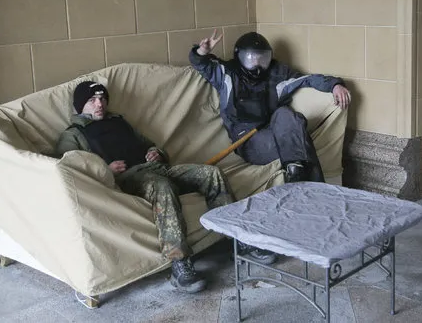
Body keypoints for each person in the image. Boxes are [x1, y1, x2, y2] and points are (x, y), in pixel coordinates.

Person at [55, 81, 276, 293]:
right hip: (129, 179)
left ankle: (238, 239)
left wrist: (157, 152)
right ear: (80, 105)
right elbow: (69, 170)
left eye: (102, 98)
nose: (100, 103)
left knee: (212, 173)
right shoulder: (73, 134)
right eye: (92, 100)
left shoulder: (119, 121)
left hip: (157, 168)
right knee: (163, 187)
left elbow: (149, 143)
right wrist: (106, 170)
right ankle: (180, 264)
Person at [189, 31, 351, 183]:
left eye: (263, 58)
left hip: (276, 127)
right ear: (239, 56)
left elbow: (307, 79)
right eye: (251, 58)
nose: (258, 65)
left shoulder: (277, 73)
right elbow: (201, 64)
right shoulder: (227, 73)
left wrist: (334, 85)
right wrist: (202, 52)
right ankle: (309, 182)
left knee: (286, 114)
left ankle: (296, 175)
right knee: (298, 139)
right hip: (248, 139)